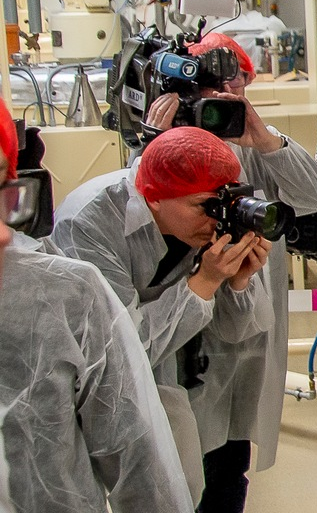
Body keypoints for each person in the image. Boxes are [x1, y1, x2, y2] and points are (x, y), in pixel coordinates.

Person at [141, 32, 317, 512]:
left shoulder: (252, 146)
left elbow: (316, 196)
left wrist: (263, 138)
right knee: (176, 468)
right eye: (207, 88)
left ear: (247, 81)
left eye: (232, 84)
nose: (220, 99)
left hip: (244, 340)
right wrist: (154, 143)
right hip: (179, 339)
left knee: (229, 466)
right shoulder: (164, 149)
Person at [52, 126, 273, 505]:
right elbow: (118, 356)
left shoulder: (207, 223)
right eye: (203, 205)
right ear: (153, 198)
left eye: (223, 202)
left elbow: (239, 333)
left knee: (212, 481)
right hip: (109, 388)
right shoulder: (90, 222)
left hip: (193, 376)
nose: (215, 219)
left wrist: (238, 281)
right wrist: (204, 281)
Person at [0, 103, 193, 513]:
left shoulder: (64, 295)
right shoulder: (93, 220)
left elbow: (139, 469)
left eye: (2, 184)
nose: (3, 234)